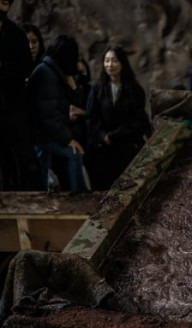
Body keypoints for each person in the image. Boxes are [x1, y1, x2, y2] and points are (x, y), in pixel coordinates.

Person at [86, 45, 152, 190]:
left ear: (122, 63)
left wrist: (115, 136)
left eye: (114, 61)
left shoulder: (135, 89)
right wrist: (103, 135)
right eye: (107, 61)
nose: (110, 65)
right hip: (103, 148)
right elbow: (91, 117)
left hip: (126, 146)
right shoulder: (97, 89)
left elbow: (138, 120)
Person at [27, 35, 86, 192]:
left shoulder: (52, 71)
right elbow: (49, 115)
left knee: (43, 168)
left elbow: (60, 105)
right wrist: (68, 139)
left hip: (43, 131)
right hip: (40, 133)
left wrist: (73, 85)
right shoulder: (48, 74)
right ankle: (78, 196)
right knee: (74, 153)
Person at [0, 0, 42, 190]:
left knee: (26, 162)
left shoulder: (16, 34)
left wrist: (3, 67)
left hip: (14, 107)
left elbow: (26, 68)